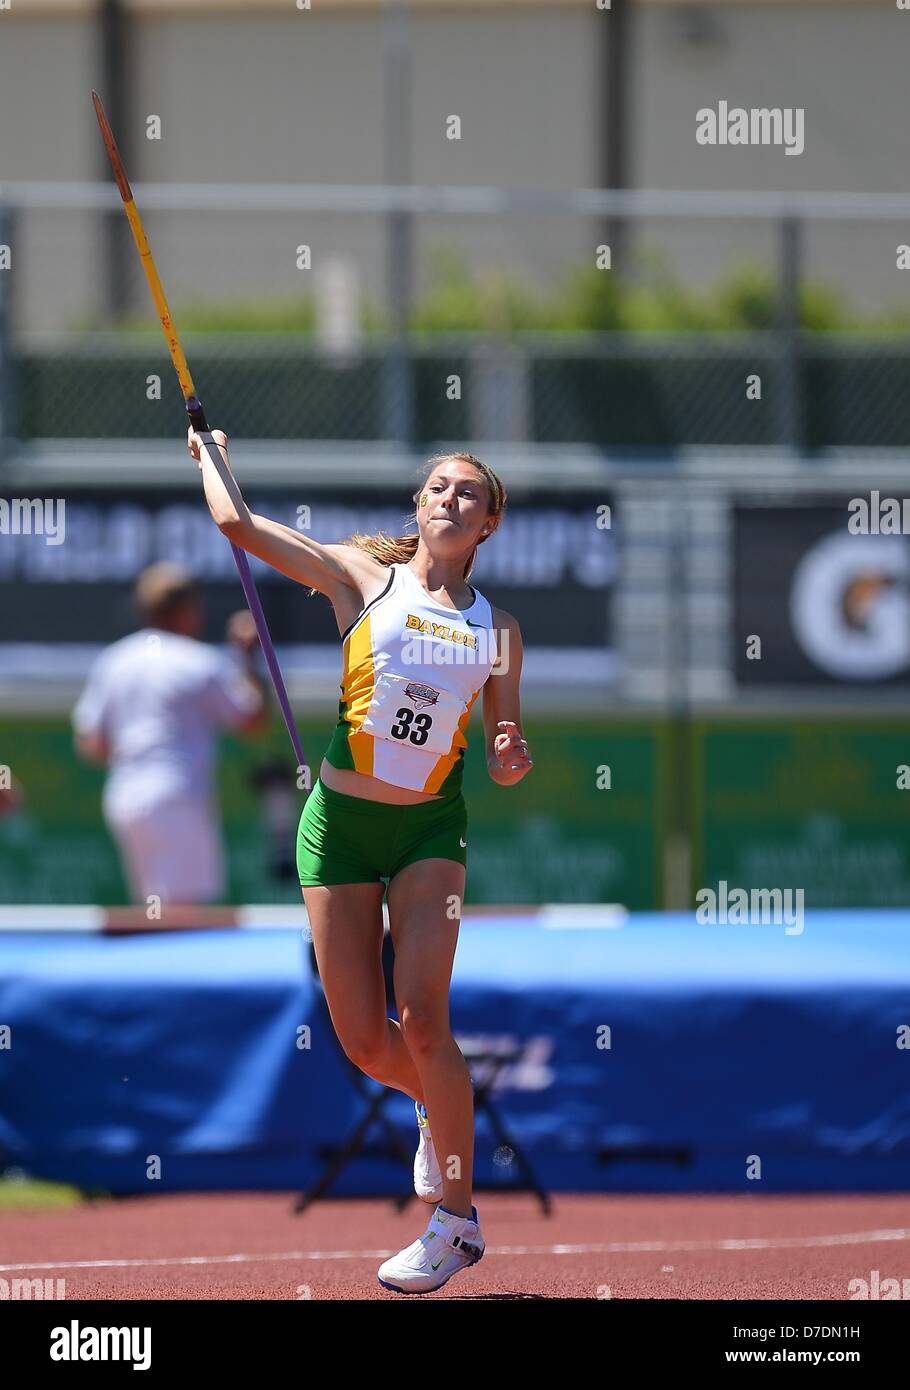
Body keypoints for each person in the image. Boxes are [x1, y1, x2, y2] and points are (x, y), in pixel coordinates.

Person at [188, 425, 532, 1295]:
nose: (450, 499)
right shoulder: (363, 577)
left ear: (488, 523)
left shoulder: (498, 631)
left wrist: (506, 754)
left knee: (423, 1020)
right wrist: (211, 458)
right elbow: (242, 529)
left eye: (469, 494)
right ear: (419, 507)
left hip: (428, 834)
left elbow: (502, 739)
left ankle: (456, 1220)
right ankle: (435, 1104)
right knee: (366, 1039)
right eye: (438, 488)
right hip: (338, 829)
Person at [72, 563, 268, 907]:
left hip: (125, 798)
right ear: (187, 611)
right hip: (177, 795)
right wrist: (249, 656)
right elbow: (251, 721)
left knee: (154, 907)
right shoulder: (200, 662)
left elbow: (92, 743)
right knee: (183, 913)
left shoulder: (114, 660)